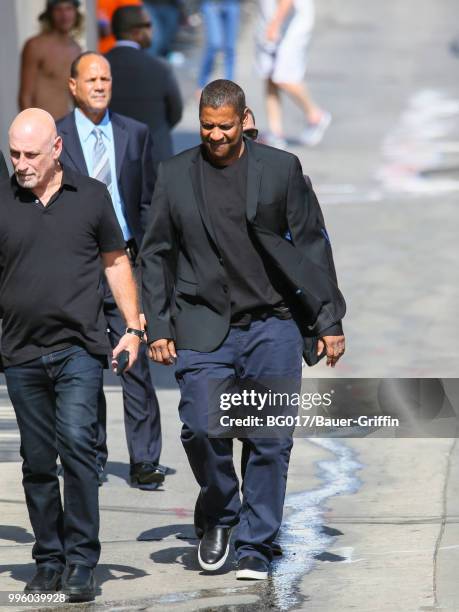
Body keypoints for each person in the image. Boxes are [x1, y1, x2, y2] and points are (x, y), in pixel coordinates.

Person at [140, 79, 345, 579]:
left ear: (244, 119)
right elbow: (155, 253)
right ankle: (222, 514)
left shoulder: (279, 170)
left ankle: (256, 543)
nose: (213, 136)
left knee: (269, 439)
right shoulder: (175, 175)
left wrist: (327, 320)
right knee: (203, 426)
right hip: (202, 324)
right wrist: (159, 324)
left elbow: (313, 245)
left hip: (272, 324)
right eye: (207, 127)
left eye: (224, 127)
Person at [1, 108, 142, 600]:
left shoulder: (92, 197)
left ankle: (82, 561)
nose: (21, 164)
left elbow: (116, 261)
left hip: (79, 348)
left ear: (56, 149)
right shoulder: (2, 199)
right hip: (20, 353)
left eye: (31, 155)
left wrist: (133, 327)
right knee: (38, 461)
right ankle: (49, 559)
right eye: (14, 154)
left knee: (79, 446)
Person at [57, 51, 165, 488]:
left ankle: (145, 459)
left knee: (134, 357)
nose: (100, 85)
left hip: (126, 259)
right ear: (73, 86)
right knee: (87, 361)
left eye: (106, 79)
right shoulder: (58, 135)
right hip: (80, 265)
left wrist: (149, 259)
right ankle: (93, 454)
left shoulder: (134, 134)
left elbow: (148, 200)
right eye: (91, 79)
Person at [106, 5, 183, 165]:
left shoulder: (99, 67)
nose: (152, 31)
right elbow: (175, 111)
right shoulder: (160, 68)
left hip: (113, 158)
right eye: (148, 25)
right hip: (155, 158)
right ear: (136, 32)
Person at [256, 0, 331, 148]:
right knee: (269, 76)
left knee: (283, 77)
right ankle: (275, 132)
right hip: (272, 18)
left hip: (289, 24)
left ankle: (315, 115)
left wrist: (274, 24)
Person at [18, 0, 83, 120]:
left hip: (66, 127)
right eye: (58, 9)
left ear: (75, 13)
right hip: (40, 127)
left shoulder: (77, 50)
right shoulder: (35, 45)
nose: (64, 15)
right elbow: (25, 96)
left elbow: (75, 97)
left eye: (69, 8)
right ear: (50, 14)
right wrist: (32, 128)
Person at [197, 0, 241, 93]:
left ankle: (229, 88)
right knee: (214, 44)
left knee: (230, 47)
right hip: (212, 4)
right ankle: (202, 83)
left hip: (231, 3)